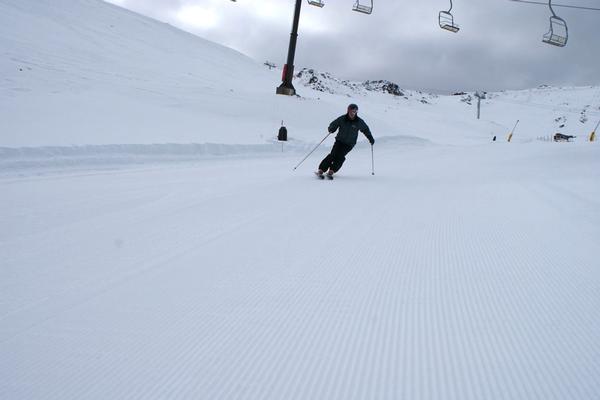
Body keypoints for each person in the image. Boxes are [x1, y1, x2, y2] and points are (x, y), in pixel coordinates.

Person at [316, 103, 375, 178]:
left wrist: (370, 138)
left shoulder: (359, 121)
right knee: (333, 154)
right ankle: (321, 169)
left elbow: (365, 129)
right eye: (352, 111)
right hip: (339, 141)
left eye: (355, 111)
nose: (353, 113)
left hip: (349, 144)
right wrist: (332, 128)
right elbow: (334, 124)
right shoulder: (342, 119)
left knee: (340, 156)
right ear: (348, 111)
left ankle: (332, 170)